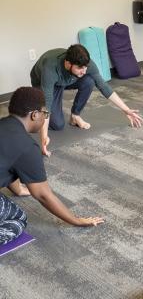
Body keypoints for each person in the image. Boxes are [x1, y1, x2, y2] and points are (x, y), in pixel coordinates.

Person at [0, 87, 104, 245]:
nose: (44, 117)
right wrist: (76, 221)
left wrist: (19, 189)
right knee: (17, 219)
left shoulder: (4, 125)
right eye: (45, 114)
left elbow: (10, 163)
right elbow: (43, 195)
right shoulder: (26, 147)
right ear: (35, 115)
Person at [31, 44, 143, 156]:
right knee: (57, 125)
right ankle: (34, 110)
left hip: (66, 79)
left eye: (85, 67)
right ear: (68, 63)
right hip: (42, 82)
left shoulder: (85, 65)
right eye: (80, 68)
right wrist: (44, 138)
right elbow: (47, 105)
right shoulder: (50, 69)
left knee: (89, 81)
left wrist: (126, 110)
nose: (84, 71)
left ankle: (75, 116)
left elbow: (104, 87)